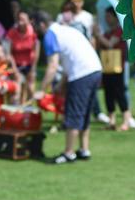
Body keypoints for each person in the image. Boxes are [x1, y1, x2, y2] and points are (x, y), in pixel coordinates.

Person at [36, 15, 102, 164]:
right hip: (95, 69)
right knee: (84, 113)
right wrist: (61, 85)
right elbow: (70, 61)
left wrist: (41, 89)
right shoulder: (65, 30)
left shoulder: (50, 35)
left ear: (41, 24)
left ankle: (68, 153)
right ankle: (84, 150)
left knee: (74, 112)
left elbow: (53, 66)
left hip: (81, 74)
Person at [96, 8, 134, 130]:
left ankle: (126, 120)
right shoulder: (107, 32)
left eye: (109, 16)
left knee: (119, 93)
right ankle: (111, 121)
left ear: (114, 17)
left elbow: (110, 44)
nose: (107, 19)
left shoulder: (119, 31)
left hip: (118, 67)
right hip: (107, 67)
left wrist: (97, 35)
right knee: (108, 94)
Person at [6, 10, 40, 105]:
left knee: (30, 87)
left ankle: (29, 109)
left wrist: (33, 69)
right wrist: (15, 70)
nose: (20, 22)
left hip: (29, 64)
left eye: (23, 19)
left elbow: (36, 52)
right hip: (15, 64)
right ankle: (14, 109)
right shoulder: (12, 32)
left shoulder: (33, 33)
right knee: (17, 84)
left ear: (29, 21)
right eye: (19, 19)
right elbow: (9, 53)